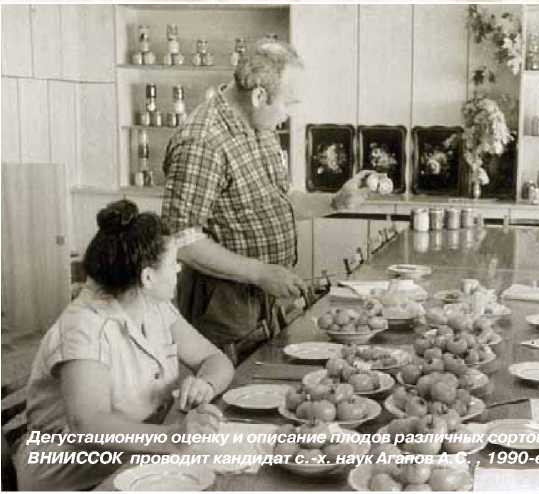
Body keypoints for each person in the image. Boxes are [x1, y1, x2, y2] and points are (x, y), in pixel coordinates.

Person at [161, 37, 372, 361]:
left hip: (265, 295)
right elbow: (183, 241)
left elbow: (281, 200)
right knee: (233, 385)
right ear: (259, 96)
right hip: (224, 304)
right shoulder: (202, 142)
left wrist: (334, 203)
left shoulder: (260, 125)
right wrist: (260, 273)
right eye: (289, 103)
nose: (288, 114)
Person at [14, 200, 234, 491]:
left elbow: (215, 360)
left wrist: (205, 384)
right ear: (147, 277)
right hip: (73, 474)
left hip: (135, 455)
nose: (179, 270)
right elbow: (88, 425)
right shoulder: (84, 325)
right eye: (173, 263)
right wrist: (171, 437)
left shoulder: (155, 307)